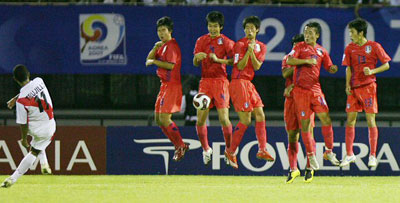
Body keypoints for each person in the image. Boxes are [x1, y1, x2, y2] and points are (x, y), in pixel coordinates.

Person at [286, 22, 340, 173]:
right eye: (306, 32)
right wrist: (306, 61)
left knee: (326, 119)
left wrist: (333, 69)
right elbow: (290, 61)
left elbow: (329, 66)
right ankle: (310, 156)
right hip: (300, 92)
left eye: (311, 33)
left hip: (316, 90)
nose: (308, 35)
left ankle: (329, 152)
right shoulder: (299, 47)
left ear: (317, 35)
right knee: (305, 126)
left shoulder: (322, 51)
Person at [224, 16, 274, 169]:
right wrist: (248, 51)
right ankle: (231, 151)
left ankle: (262, 149)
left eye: (252, 28)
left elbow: (257, 66)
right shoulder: (239, 44)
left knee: (260, 114)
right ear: (244, 29)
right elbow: (240, 65)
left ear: (257, 30)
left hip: (249, 83)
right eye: (247, 28)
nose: (249, 30)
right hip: (239, 82)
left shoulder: (262, 46)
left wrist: (252, 52)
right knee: (246, 120)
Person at [340, 18, 391, 167]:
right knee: (350, 120)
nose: (350, 34)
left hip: (368, 87)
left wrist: (372, 71)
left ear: (361, 33)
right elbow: (348, 68)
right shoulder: (350, 48)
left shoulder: (374, 46)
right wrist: (347, 85)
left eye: (352, 32)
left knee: (370, 120)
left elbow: (386, 65)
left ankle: (373, 156)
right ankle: (349, 154)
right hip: (354, 88)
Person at [1, 65, 55, 188]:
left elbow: (23, 124)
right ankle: (44, 164)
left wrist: (24, 138)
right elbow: (31, 92)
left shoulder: (21, 101)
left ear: (15, 79)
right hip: (50, 124)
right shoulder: (39, 81)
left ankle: (13, 178)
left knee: (33, 150)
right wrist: (15, 98)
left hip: (36, 129)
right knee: (38, 144)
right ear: (28, 74)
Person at [193, 11, 235, 165]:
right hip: (205, 82)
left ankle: (229, 150)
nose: (212, 29)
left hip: (221, 82)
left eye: (215, 26)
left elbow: (233, 61)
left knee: (223, 118)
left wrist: (218, 60)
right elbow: (195, 62)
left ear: (221, 27)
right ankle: (206, 149)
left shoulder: (227, 42)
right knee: (201, 118)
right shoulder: (201, 41)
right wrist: (197, 58)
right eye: (210, 26)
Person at [145, 16, 189, 161]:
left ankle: (180, 145)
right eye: (159, 30)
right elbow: (148, 60)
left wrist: (154, 61)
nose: (161, 33)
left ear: (170, 31)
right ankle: (178, 145)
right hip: (164, 85)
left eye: (163, 30)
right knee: (158, 119)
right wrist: (155, 48)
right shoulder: (162, 46)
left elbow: (170, 65)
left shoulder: (172, 46)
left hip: (172, 86)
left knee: (164, 118)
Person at [282, 34, 317, 183]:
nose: (298, 49)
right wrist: (301, 62)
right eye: (296, 47)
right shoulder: (288, 59)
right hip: (290, 101)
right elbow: (285, 73)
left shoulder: (313, 58)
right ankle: (293, 169)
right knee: (292, 135)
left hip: (305, 99)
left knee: (308, 133)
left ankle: (309, 168)